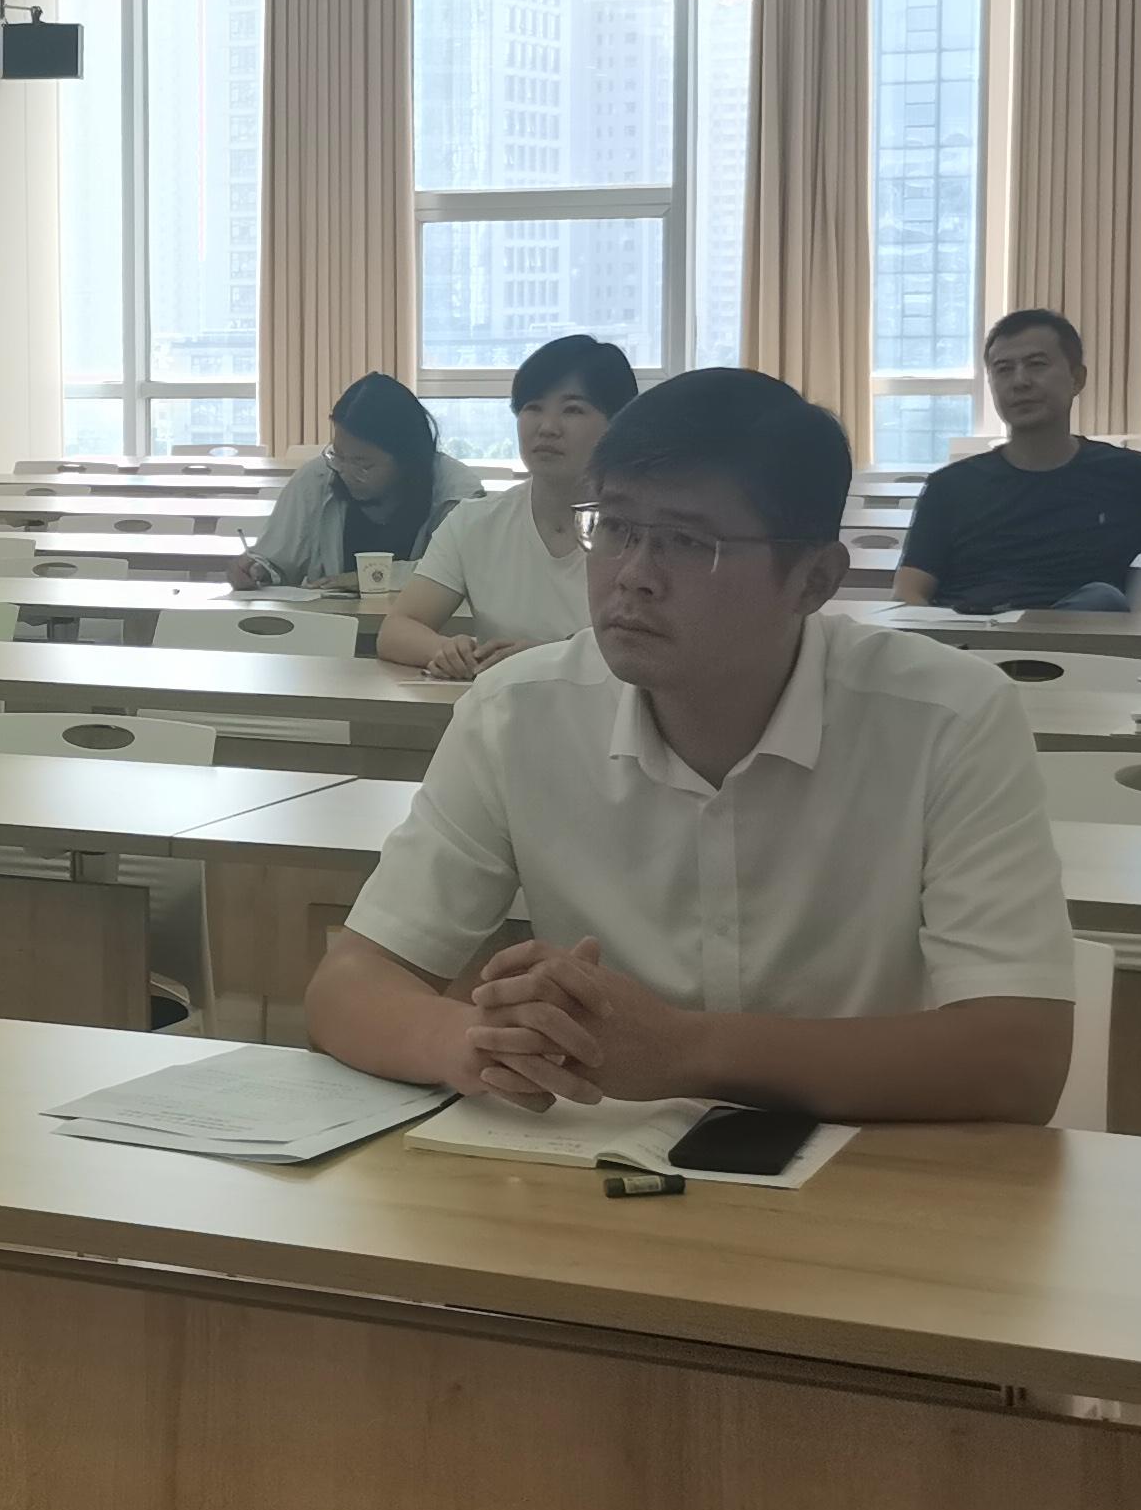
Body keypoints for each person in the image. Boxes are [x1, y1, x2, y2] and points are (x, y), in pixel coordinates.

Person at [305, 368, 1077, 1126]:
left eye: (686, 542)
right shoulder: (516, 711)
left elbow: (1020, 1060)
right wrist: (483, 1043)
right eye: (615, 528)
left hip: (873, 1162)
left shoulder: (948, 717)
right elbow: (350, 985)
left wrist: (687, 1051)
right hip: (601, 1167)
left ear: (814, 580)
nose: (633, 577)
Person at [898, 310, 1141, 615]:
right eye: (1003, 370)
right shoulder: (950, 486)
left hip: (1077, 647)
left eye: (1037, 365)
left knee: (1102, 599)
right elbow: (909, 591)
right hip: (968, 644)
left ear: (1077, 378)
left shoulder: (1128, 475)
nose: (1020, 381)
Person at [382, 335, 634, 679]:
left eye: (573, 410)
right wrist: (447, 651)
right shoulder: (475, 522)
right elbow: (397, 628)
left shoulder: (645, 530)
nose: (547, 428)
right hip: (501, 707)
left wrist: (545, 661)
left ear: (617, 424)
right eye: (532, 408)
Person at [241, 372, 487, 589]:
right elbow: (277, 561)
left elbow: (463, 571)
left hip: (425, 627)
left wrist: (373, 578)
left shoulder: (456, 493)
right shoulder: (317, 478)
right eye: (339, 456)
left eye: (364, 465)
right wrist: (258, 569)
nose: (346, 472)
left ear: (407, 459)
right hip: (330, 625)